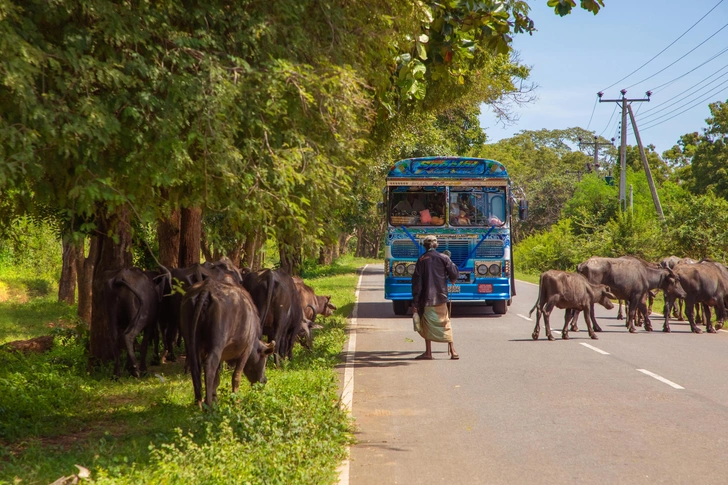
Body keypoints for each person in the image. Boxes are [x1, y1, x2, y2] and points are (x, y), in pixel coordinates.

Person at [411, 235, 460, 360]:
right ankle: (453, 351)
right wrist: (452, 277)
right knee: (445, 323)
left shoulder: (421, 260)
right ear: (436, 245)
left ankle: (428, 352)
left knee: (427, 324)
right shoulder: (444, 257)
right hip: (441, 297)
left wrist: (415, 302)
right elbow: (454, 273)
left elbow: (417, 283)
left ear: (425, 246)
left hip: (426, 299)